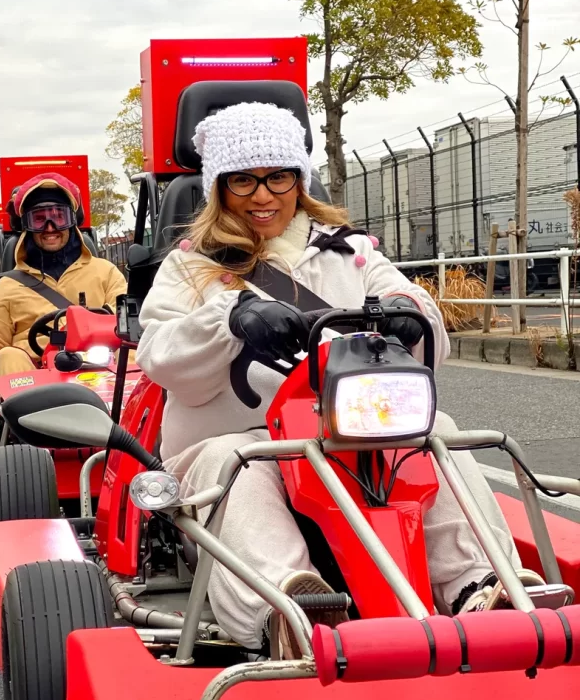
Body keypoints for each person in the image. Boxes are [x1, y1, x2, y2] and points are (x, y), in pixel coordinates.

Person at [136, 101, 543, 658]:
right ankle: (290, 609)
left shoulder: (349, 252)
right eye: (243, 180)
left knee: (437, 431)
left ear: (298, 180)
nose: (262, 196)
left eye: (277, 177)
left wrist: (407, 309)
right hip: (246, 440)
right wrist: (228, 318)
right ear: (219, 188)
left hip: (352, 435)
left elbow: (419, 316)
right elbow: (159, 354)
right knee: (240, 462)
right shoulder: (190, 266)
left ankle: (480, 587)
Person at [0, 173, 127, 378]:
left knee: (132, 347)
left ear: (73, 220)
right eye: (39, 219)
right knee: (8, 356)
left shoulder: (106, 273)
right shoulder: (7, 287)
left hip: (106, 376)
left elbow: (129, 330)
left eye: (59, 216)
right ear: (25, 225)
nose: (50, 227)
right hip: (33, 388)